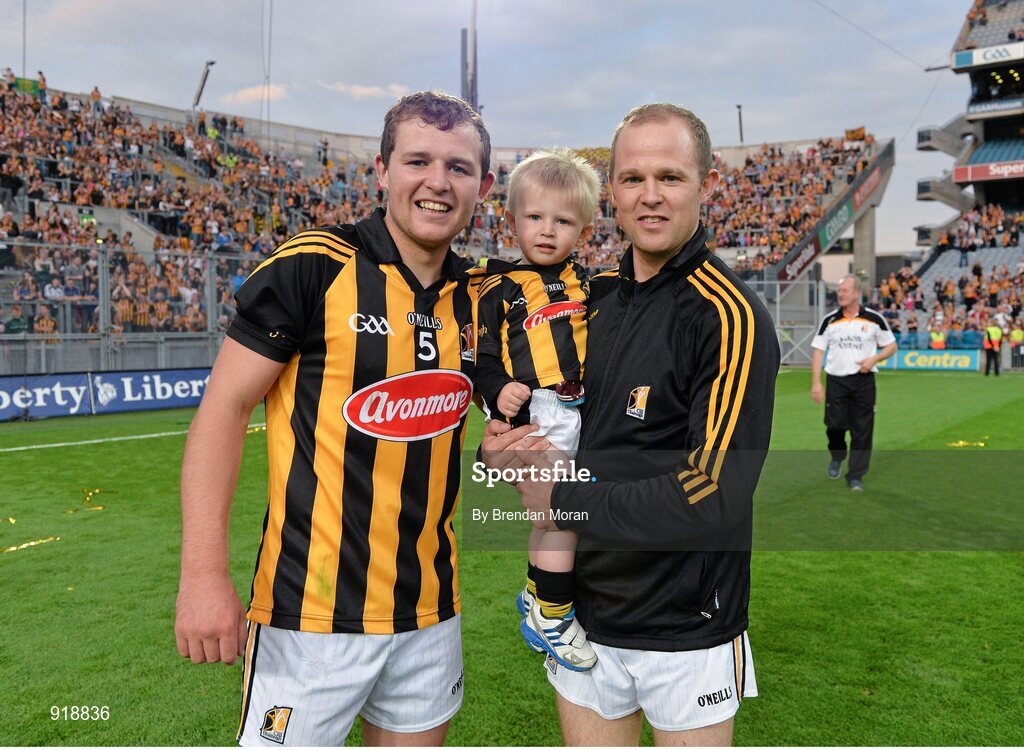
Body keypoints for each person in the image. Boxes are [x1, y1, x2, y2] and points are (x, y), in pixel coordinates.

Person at [175, 90, 495, 747]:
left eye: (459, 168)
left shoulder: (481, 299)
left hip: (429, 611)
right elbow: (224, 408)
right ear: (381, 172)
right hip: (308, 615)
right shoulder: (314, 264)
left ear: (483, 185)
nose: (438, 182)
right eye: (417, 161)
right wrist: (203, 575)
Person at [483, 103, 780, 745]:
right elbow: (565, 438)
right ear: (611, 190)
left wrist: (562, 498)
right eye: (633, 178)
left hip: (685, 624)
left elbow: (716, 492)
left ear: (706, 184)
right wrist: (511, 450)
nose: (650, 196)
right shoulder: (595, 300)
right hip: (585, 617)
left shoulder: (727, 317)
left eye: (670, 177)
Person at [475, 148, 600, 671]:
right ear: (511, 221)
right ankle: (553, 612)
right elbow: (478, 356)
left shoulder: (592, 284)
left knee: (555, 518)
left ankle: (534, 594)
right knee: (563, 515)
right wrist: (498, 387)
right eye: (534, 217)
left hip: (579, 407)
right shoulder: (496, 286)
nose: (547, 230)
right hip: (532, 412)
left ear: (584, 232)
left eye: (563, 221)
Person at [810, 276, 897, 491]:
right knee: (834, 426)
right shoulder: (829, 320)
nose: (841, 294)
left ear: (857, 293)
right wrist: (816, 383)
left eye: (845, 290)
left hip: (863, 382)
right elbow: (819, 351)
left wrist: (873, 359)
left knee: (863, 430)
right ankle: (837, 455)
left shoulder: (875, 319)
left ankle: (856, 476)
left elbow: (891, 346)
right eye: (839, 290)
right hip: (836, 381)